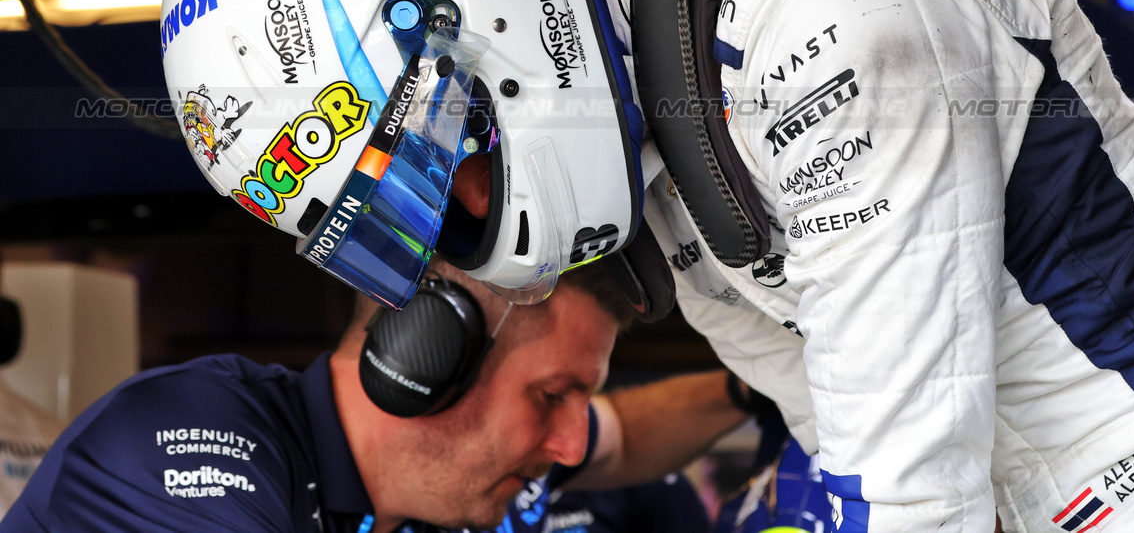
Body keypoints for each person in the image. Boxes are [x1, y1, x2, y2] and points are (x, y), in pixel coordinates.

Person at [157, 0, 1134, 533]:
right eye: (411, 211)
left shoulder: (820, 7)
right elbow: (840, 448)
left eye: (439, 165)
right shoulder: (667, 151)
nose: (470, 214)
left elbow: (903, 489)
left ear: (475, 0)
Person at [0, 260, 750, 532]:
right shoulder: (199, 443)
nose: (565, 443)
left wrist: (757, 389)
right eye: (552, 395)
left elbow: (617, 435)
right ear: (424, 357)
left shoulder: (426, 493)